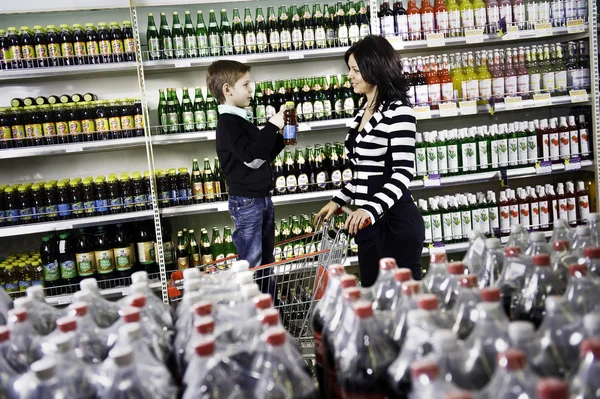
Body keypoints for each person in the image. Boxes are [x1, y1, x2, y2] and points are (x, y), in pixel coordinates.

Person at [315, 35, 425, 286]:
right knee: (374, 304)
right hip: (366, 225)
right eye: (350, 70)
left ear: (374, 68)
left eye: (356, 70)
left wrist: (368, 209)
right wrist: (338, 200)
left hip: (394, 224)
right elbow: (363, 173)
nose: (350, 76)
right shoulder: (361, 114)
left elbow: (402, 173)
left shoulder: (399, 112)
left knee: (401, 304)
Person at [208, 60, 285, 294]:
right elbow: (252, 158)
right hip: (247, 202)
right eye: (246, 84)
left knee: (266, 261)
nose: (251, 90)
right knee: (252, 263)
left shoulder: (241, 119)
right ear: (227, 90)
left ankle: (268, 312)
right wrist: (271, 127)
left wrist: (282, 136)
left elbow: (262, 158)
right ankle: (256, 316)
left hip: (261, 198)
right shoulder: (228, 124)